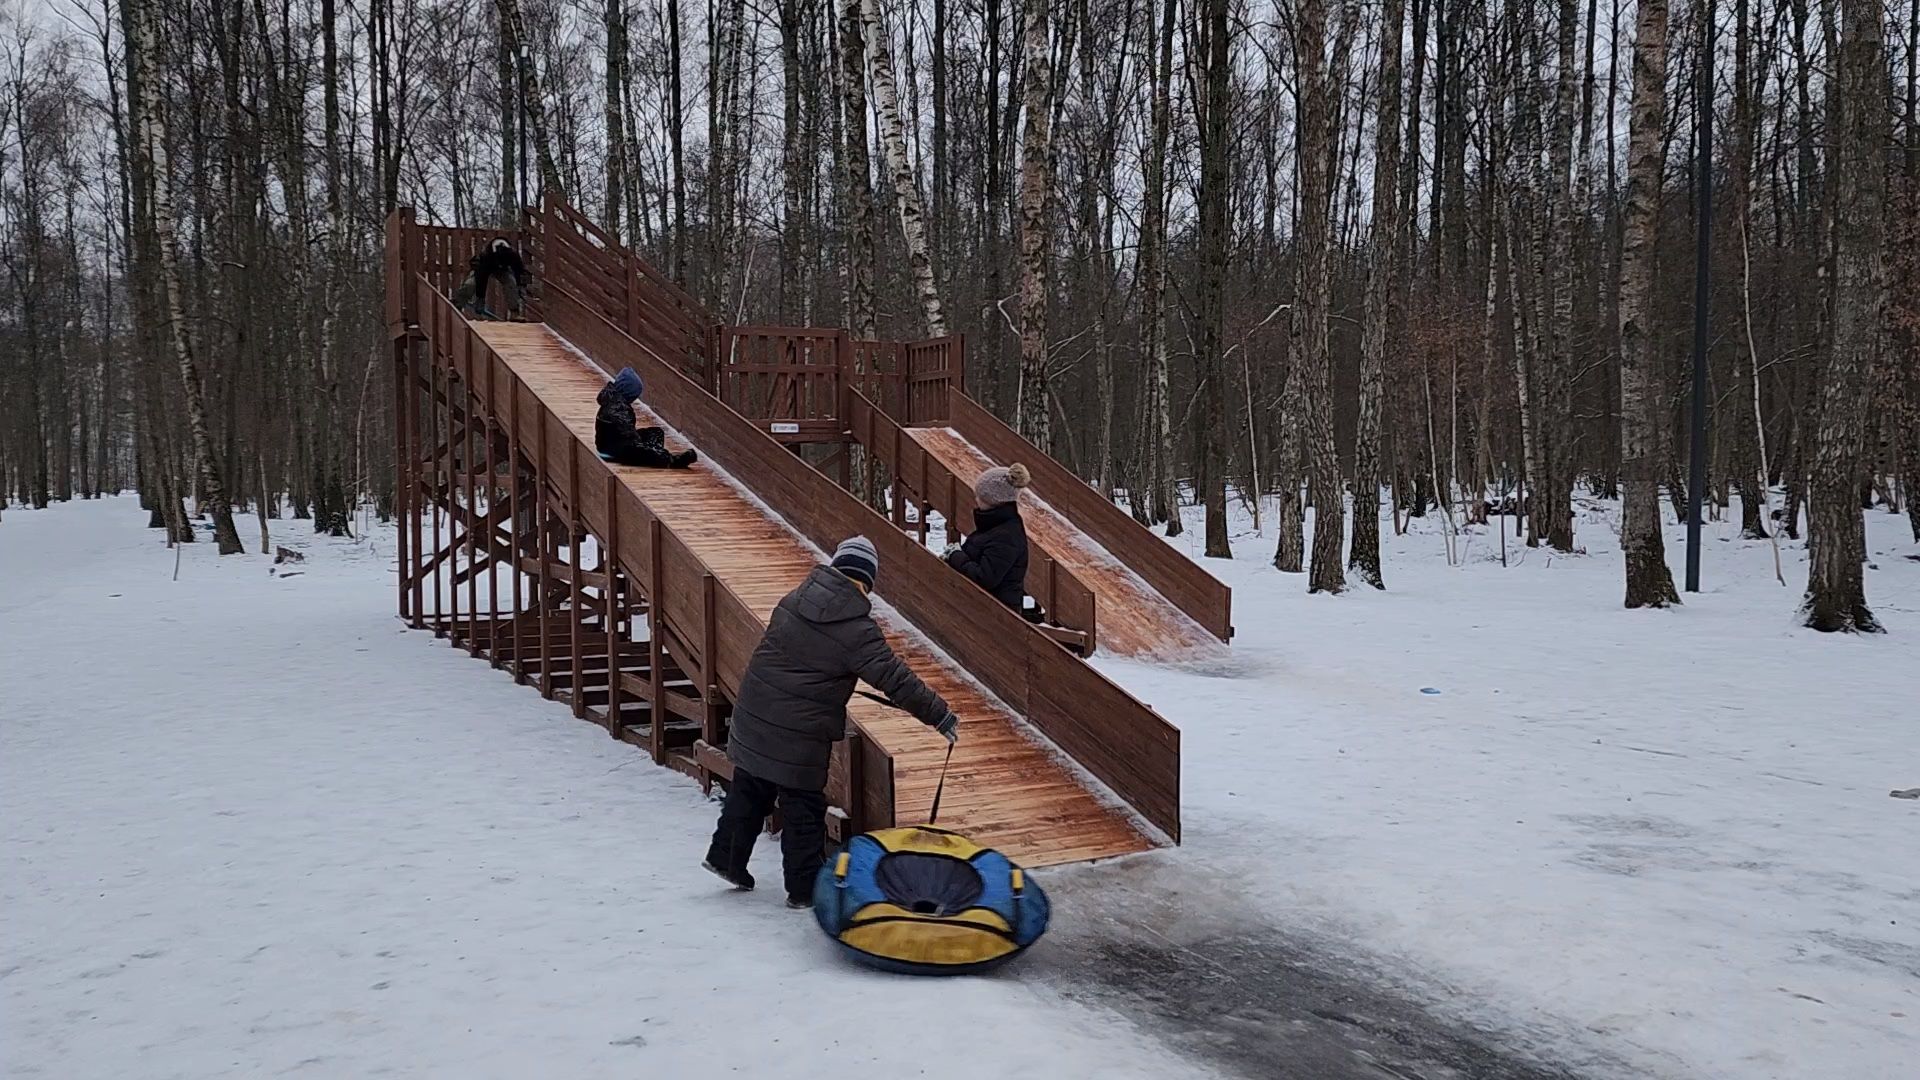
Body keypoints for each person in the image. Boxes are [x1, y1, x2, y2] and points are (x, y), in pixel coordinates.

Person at [705, 536, 961, 908]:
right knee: (803, 808)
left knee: (749, 789)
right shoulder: (856, 630)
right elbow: (896, 679)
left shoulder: (793, 600)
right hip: (800, 733)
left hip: (755, 712)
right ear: (867, 581)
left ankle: (726, 859)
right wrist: (938, 714)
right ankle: (804, 890)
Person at [944, 463, 1032, 614]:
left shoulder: (1006, 536)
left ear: (991, 500)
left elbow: (985, 578)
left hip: (997, 616)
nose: (976, 499)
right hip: (983, 609)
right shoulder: (993, 527)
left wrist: (956, 556)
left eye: (979, 496)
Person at [595, 366, 696, 469]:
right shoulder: (617, 408)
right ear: (628, 392)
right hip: (612, 452)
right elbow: (630, 436)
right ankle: (670, 460)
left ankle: (655, 452)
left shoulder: (614, 401)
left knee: (656, 433)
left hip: (615, 443)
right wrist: (644, 446)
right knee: (642, 450)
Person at [453, 237, 531, 320]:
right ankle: (458, 304)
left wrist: (520, 287)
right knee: (470, 284)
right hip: (483, 268)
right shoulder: (486, 256)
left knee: (511, 282)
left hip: (502, 270)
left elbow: (520, 272)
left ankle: (514, 313)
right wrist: (480, 299)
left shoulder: (513, 255)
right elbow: (481, 278)